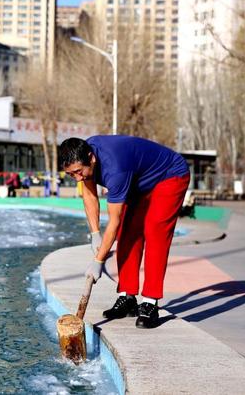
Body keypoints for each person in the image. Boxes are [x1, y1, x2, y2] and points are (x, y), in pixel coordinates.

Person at [60, 136, 189, 329]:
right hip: (139, 180)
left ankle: (150, 302)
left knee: (155, 231)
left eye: (78, 172)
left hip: (169, 174)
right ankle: (127, 297)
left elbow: (113, 221)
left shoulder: (115, 168)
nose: (78, 178)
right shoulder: (83, 157)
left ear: (91, 158)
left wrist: (99, 261)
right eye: (71, 174)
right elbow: (89, 194)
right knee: (127, 234)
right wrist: (95, 233)